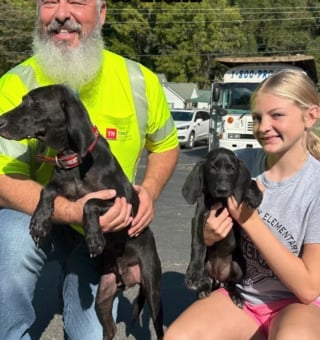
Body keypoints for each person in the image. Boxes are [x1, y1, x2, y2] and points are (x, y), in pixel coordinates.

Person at [0, 1, 179, 339]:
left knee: (93, 335)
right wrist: (70, 211)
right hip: (42, 213)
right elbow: (3, 179)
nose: (62, 14)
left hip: (105, 230)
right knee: (8, 235)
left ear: (102, 13)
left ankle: (75, 282)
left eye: (77, 2)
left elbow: (166, 145)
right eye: (50, 2)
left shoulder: (139, 80)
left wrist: (149, 191)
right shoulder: (15, 84)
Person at [164, 69, 320, 340]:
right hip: (243, 297)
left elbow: (308, 288)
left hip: (296, 305)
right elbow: (202, 212)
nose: (263, 127)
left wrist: (250, 220)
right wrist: (207, 237)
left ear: (310, 116)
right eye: (257, 117)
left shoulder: (315, 186)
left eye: (277, 115)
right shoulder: (240, 163)